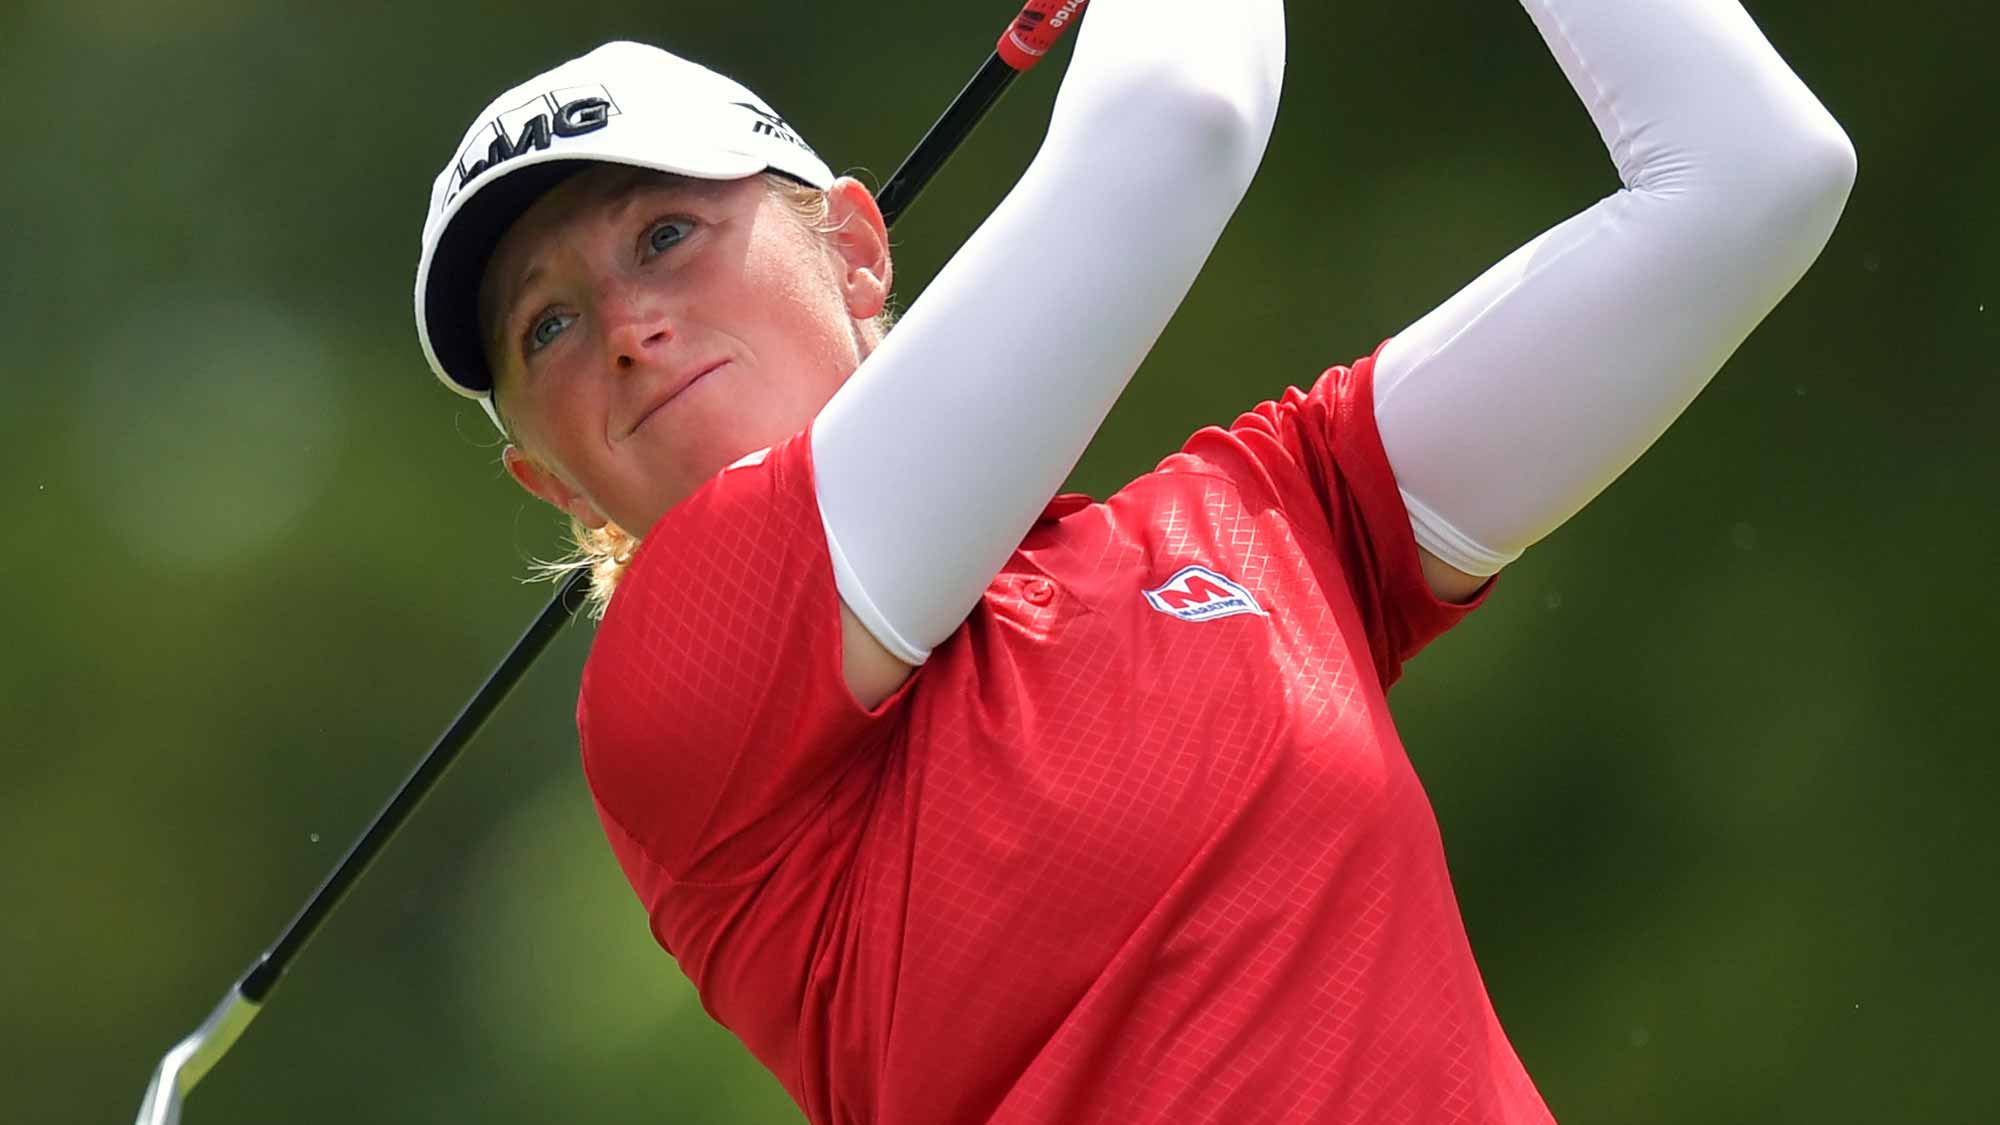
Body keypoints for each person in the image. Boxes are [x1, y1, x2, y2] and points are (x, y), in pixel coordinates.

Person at [411, 0, 1854, 1120]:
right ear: (548, 472)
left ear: (856, 248)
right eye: (545, 325)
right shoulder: (670, 701)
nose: (621, 325)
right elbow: (1173, 121)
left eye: (666, 234)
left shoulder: (1258, 519)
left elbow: (1749, 182)